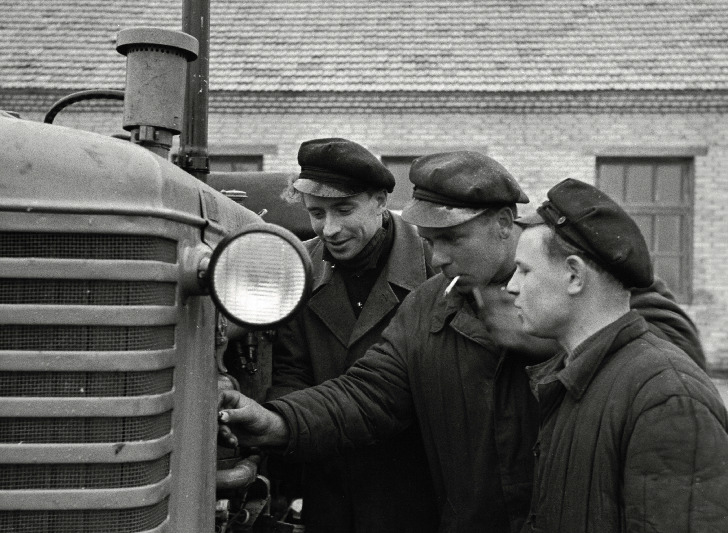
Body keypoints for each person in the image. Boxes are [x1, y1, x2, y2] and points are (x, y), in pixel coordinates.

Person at [218, 151, 704, 533]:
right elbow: (368, 393)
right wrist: (276, 420)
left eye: (453, 238)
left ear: (501, 224)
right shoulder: (433, 303)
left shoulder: (585, 272)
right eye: (429, 241)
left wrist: (546, 336)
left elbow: (662, 361)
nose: (439, 255)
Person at [506, 178, 728, 532]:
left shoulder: (667, 397)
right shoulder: (574, 377)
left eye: (525, 270)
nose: (511, 285)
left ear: (575, 276)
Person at [268, 137, 438, 533]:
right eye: (316, 213)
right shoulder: (298, 269)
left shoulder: (436, 265)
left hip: (416, 489)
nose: (330, 229)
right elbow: (288, 371)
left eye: (345, 210)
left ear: (380, 201)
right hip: (330, 487)